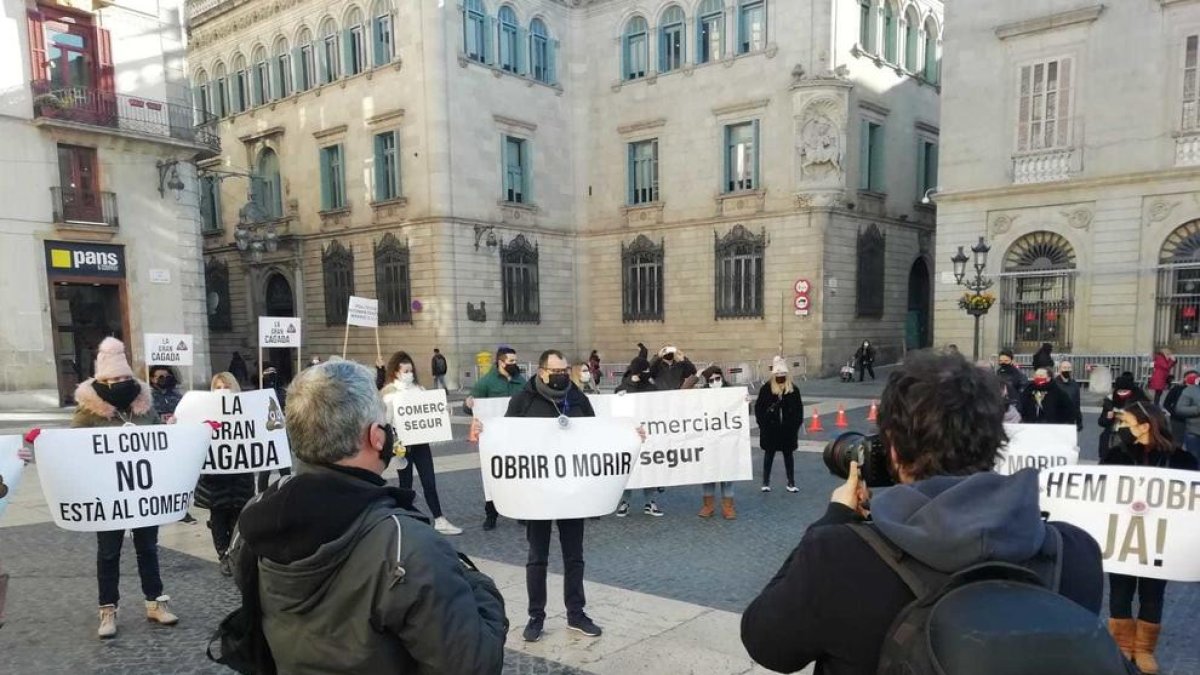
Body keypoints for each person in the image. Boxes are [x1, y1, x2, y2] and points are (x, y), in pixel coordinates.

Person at [740, 350, 1105, 675]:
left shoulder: (837, 555)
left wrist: (834, 517)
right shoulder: (1073, 553)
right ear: (997, 440)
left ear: (894, 450)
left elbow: (766, 643)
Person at [229, 360, 507, 673]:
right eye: (386, 425)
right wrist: (477, 585)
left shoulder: (255, 513)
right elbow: (473, 664)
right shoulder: (406, 544)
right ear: (377, 437)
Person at [70, 338, 178, 638]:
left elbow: (162, 443)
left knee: (147, 549)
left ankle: (155, 602)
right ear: (101, 380)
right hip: (108, 496)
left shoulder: (144, 409)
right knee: (108, 552)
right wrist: (38, 442)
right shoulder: (87, 413)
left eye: (123, 378)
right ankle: (108, 609)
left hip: (142, 493)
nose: (119, 383)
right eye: (112, 379)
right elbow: (71, 449)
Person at [504, 350, 603, 642]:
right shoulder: (523, 400)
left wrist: (628, 435)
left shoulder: (578, 399)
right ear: (542, 371)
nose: (563, 375)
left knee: (575, 556)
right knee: (537, 558)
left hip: (572, 492)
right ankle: (536, 616)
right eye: (557, 370)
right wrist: (483, 429)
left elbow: (596, 434)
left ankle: (576, 613)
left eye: (565, 370)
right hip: (538, 494)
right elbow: (506, 438)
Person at [1101, 402, 1198, 674]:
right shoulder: (1114, 457)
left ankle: (1144, 650)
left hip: (1161, 541)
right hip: (1121, 538)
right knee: (1120, 592)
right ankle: (1121, 646)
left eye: (1126, 423)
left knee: (1153, 595)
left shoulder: (1182, 460)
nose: (1120, 428)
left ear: (1144, 426)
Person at [381, 351, 462, 535]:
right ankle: (406, 518)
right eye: (405, 370)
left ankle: (439, 519)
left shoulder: (420, 390)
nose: (409, 373)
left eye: (411, 370)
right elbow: (386, 420)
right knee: (406, 484)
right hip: (402, 446)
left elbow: (430, 409)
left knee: (429, 482)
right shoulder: (389, 394)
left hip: (421, 443)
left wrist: (441, 412)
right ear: (396, 372)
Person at [194, 372, 256, 576]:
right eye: (218, 387)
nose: (222, 391)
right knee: (219, 521)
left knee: (238, 519)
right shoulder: (202, 412)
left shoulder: (246, 410)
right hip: (215, 479)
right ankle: (223, 556)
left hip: (239, 476)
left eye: (225, 386)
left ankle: (235, 555)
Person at [468, 346, 527, 530]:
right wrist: (467, 404)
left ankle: (520, 511)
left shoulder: (521, 381)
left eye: (515, 361)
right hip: (493, 437)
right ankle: (491, 514)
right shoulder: (486, 382)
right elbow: (473, 404)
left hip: (516, 434)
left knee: (519, 473)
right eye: (511, 361)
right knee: (492, 473)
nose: (514, 364)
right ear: (500, 362)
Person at [613, 354, 665, 517]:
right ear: (638, 372)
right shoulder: (622, 389)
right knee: (629, 470)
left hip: (649, 435)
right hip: (628, 437)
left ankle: (650, 502)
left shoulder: (651, 387)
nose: (649, 373)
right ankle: (625, 502)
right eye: (646, 370)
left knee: (649, 469)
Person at [755, 357, 803, 493]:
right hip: (771, 429)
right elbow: (759, 408)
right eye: (778, 375)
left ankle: (791, 482)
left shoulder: (793, 390)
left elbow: (798, 410)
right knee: (769, 455)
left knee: (788, 455)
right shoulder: (766, 389)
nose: (780, 378)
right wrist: (763, 424)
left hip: (788, 430)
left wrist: (795, 426)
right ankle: (765, 481)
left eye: (782, 375)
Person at [697, 366, 736, 519]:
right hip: (708, 439)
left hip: (728, 439)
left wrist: (746, 403)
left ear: (722, 377)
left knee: (727, 475)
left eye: (717, 378)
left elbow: (743, 412)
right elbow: (683, 394)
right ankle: (708, 506)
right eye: (711, 380)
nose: (715, 382)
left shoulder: (732, 392)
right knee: (708, 474)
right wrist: (695, 376)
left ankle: (728, 507)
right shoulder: (702, 394)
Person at [256, 366, 292, 493]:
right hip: (267, 433)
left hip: (280, 432)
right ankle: (262, 493)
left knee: (283, 468)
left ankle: (285, 491)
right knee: (266, 468)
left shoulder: (282, 392)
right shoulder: (260, 394)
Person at [1099, 373, 1149, 457]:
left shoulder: (1140, 402)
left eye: (1125, 391)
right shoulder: (1110, 402)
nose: (1122, 394)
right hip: (1112, 438)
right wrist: (1108, 417)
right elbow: (1101, 422)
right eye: (1120, 391)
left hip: (1132, 440)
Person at [1168, 371, 1200, 463]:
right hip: (1194, 433)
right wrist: (1197, 409)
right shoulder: (1190, 391)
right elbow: (1180, 409)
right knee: (1194, 461)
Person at [1161, 370, 1196, 444]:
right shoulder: (1177, 389)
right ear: (1185, 378)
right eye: (1192, 377)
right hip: (1178, 420)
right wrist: (1174, 413)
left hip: (1194, 422)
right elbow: (1166, 404)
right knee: (1177, 443)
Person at [1055, 361, 1084, 431]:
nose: (1067, 370)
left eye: (1069, 368)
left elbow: (1077, 403)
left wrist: (1079, 421)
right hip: (1056, 420)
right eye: (1064, 368)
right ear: (1059, 369)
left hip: (1070, 420)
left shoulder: (1074, 384)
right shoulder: (1053, 384)